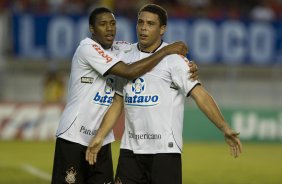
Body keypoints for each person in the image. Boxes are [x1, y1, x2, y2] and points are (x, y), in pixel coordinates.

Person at [86, 4, 242, 184]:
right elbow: (118, 102)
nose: (144, 28)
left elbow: (200, 95)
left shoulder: (175, 60)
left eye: (150, 24)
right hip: (130, 152)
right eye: (140, 22)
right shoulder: (126, 57)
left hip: (164, 152)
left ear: (162, 29)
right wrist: (99, 137)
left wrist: (224, 128)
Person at [51, 7, 198, 184]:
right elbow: (129, 71)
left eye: (112, 23)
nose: (109, 28)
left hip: (101, 139)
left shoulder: (121, 49)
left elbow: (144, 51)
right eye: (103, 24)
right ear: (92, 28)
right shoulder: (87, 49)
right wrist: (166, 51)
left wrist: (186, 64)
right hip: (74, 136)